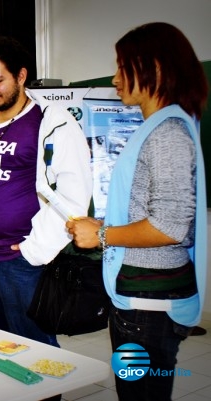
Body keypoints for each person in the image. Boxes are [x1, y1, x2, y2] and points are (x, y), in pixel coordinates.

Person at [66, 22, 207, 401]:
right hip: (143, 301)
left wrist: (102, 234)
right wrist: (103, 225)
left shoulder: (167, 134)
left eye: (122, 66)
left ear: (155, 69)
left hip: (148, 309)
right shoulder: (161, 127)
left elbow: (171, 225)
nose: (114, 78)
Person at [0, 36, 93, 348]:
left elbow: (74, 194)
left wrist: (33, 251)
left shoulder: (51, 122)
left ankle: (48, 398)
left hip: (21, 260)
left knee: (34, 347)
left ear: (21, 76)